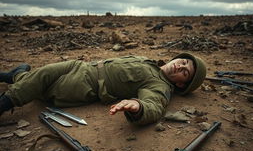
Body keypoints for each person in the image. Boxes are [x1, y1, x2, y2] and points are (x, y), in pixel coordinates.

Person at [0, 53, 206, 125]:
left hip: (84, 84)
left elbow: (155, 105)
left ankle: (9, 93)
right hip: (80, 66)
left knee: (41, 86)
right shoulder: (149, 62)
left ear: (180, 84)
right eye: (183, 62)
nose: (180, 66)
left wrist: (138, 105)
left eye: (185, 72)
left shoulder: (160, 86)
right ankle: (18, 75)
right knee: (42, 75)